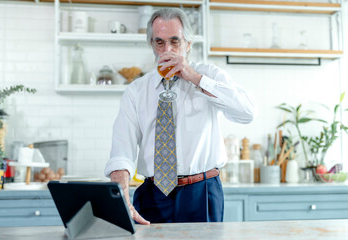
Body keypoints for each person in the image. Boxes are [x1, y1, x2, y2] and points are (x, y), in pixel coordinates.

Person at [105, 8, 255, 225]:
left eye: (175, 42)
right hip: (153, 194)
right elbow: (121, 152)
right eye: (160, 42)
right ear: (152, 45)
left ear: (188, 44)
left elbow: (247, 112)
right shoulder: (136, 91)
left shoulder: (209, 76)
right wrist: (123, 200)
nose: (167, 50)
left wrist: (195, 78)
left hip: (201, 191)